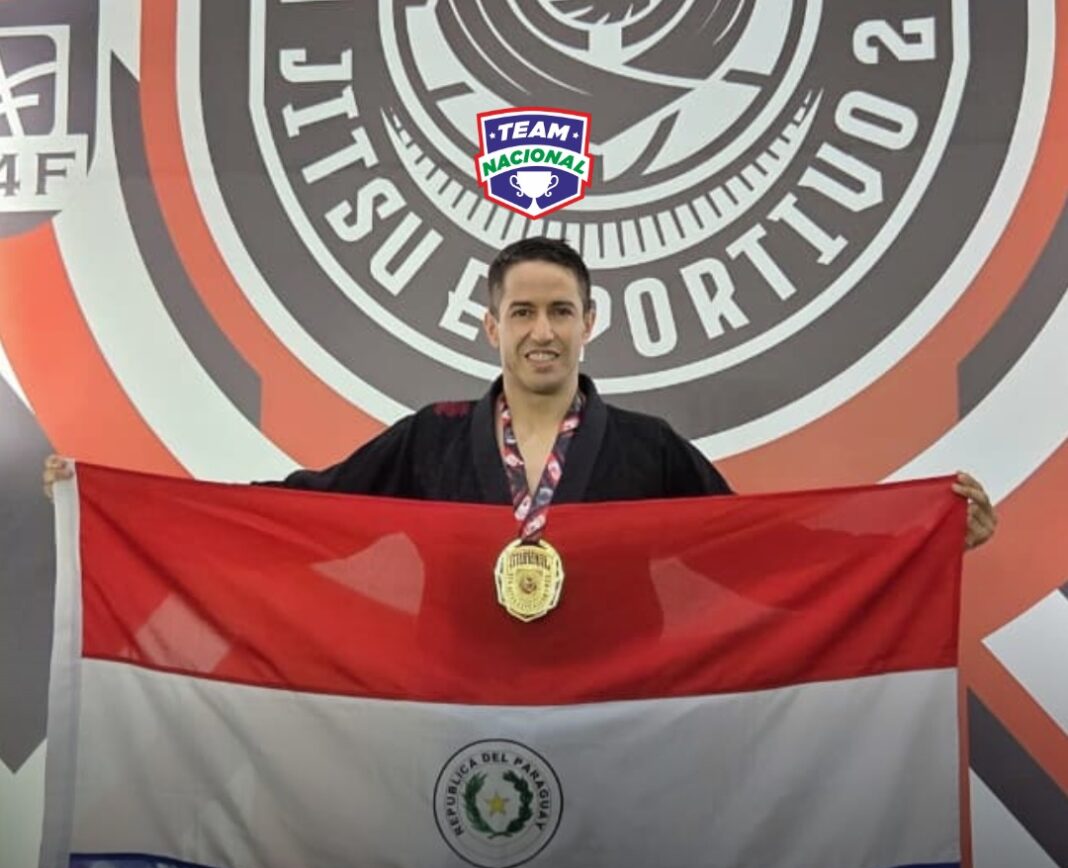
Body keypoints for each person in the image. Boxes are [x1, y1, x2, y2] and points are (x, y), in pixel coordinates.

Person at [42, 237, 997, 547]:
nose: (543, 330)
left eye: (561, 311)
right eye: (524, 311)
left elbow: (757, 544)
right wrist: (121, 506)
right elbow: (306, 508)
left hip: (611, 709)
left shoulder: (650, 446)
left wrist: (919, 537)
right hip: (454, 701)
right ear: (489, 325)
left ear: (591, 322)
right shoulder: (433, 435)